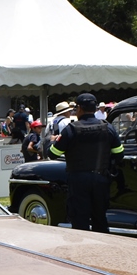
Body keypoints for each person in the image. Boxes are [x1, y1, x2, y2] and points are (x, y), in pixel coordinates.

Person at [48, 94, 123, 233]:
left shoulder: (71, 129)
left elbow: (53, 153)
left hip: (78, 180)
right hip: (100, 178)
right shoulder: (107, 127)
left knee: (79, 219)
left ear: (79, 109)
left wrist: (53, 140)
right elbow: (119, 153)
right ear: (95, 109)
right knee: (100, 218)